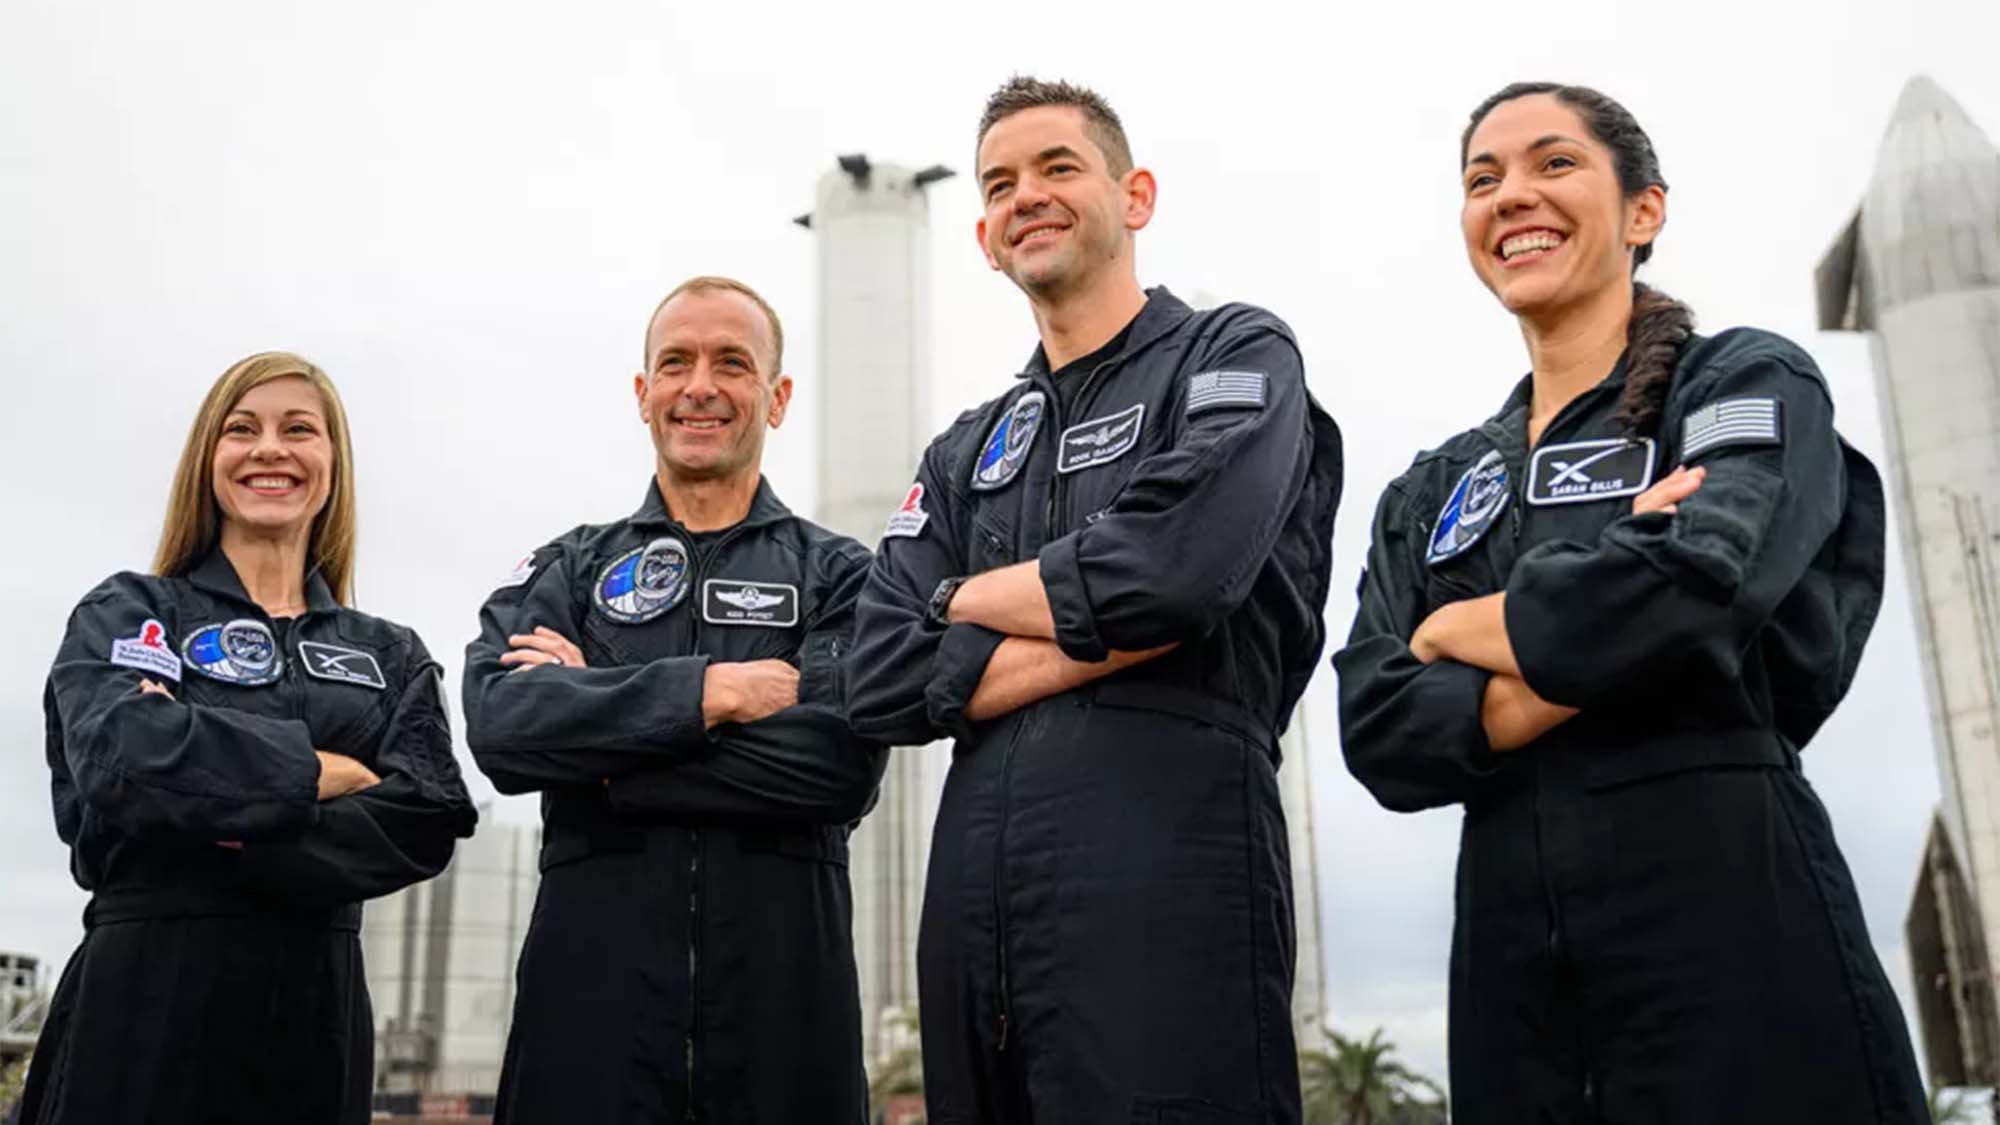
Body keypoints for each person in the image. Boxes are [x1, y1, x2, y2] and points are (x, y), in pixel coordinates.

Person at [1334, 82, 1927, 1121]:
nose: (1512, 194)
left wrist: (1455, 630)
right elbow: (1377, 726)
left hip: (1730, 907)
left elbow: (1699, 588)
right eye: (1482, 178)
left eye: (1553, 163)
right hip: (1510, 956)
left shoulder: (1737, 382)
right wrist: (1611, 610)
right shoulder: (1434, 487)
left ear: (1642, 211)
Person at [847, 76, 1342, 1124]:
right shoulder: (965, 449)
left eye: (1057, 167)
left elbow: (1177, 570)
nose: (1024, 194)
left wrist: (958, 603)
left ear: (1136, 196)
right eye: (998, 183)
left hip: (1170, 858)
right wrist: (1115, 628)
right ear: (981, 236)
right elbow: (876, 673)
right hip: (975, 888)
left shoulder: (1233, 353)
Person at [463, 275, 887, 1124]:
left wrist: (602, 748)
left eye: (733, 363)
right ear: (643, 392)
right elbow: (503, 728)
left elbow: (835, 765)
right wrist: (712, 692)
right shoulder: (570, 569)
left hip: (783, 1026)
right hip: (588, 1028)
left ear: (777, 397)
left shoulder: (841, 576)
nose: (701, 385)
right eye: (676, 363)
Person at [24, 351, 477, 1125]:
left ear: (332, 463)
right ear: (209, 457)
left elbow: (428, 811)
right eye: (243, 428)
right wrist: (315, 769)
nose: (270, 447)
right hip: (143, 1001)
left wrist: (220, 821)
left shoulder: (388, 652)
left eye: (299, 428)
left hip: (316, 1016)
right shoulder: (132, 611)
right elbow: (122, 758)